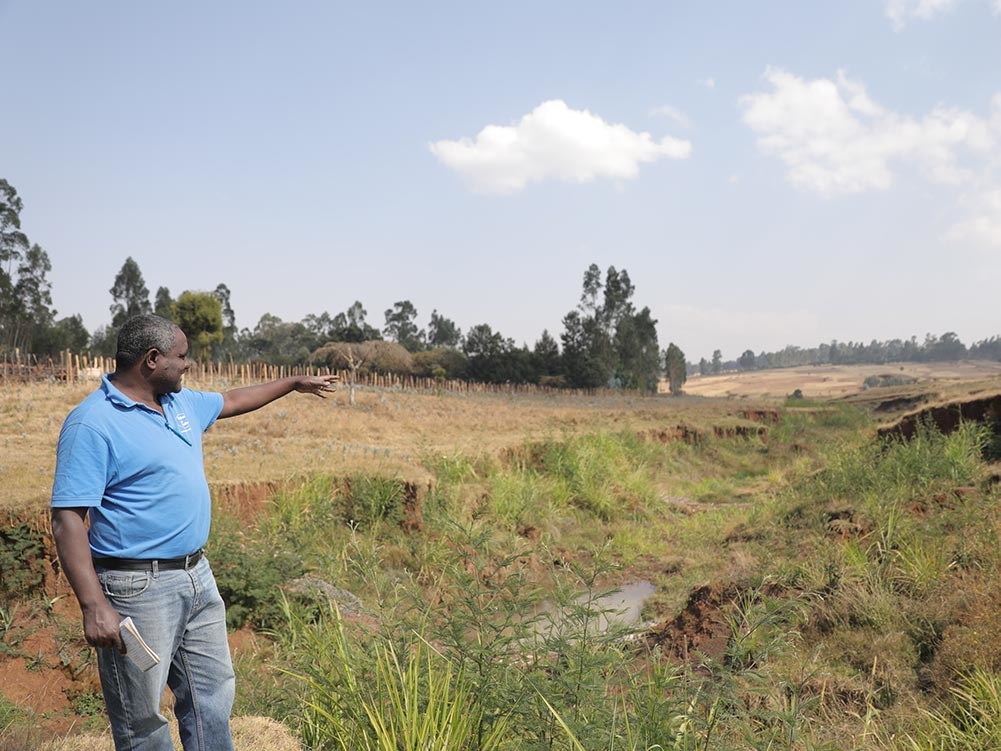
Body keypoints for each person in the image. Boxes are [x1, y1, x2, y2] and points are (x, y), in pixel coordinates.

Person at [51, 314, 337, 750]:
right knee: (142, 717)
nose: (188, 365)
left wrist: (292, 382)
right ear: (152, 359)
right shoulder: (92, 424)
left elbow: (233, 399)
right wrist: (93, 605)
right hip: (136, 588)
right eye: (181, 356)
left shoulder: (179, 404)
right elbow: (67, 518)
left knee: (211, 697)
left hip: (196, 576)